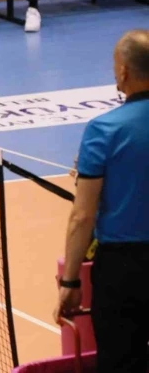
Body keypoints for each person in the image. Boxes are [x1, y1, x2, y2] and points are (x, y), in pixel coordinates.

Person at [54, 30, 149, 373]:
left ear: (123, 71)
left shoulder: (103, 130)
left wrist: (70, 281)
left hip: (124, 271)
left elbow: (83, 215)